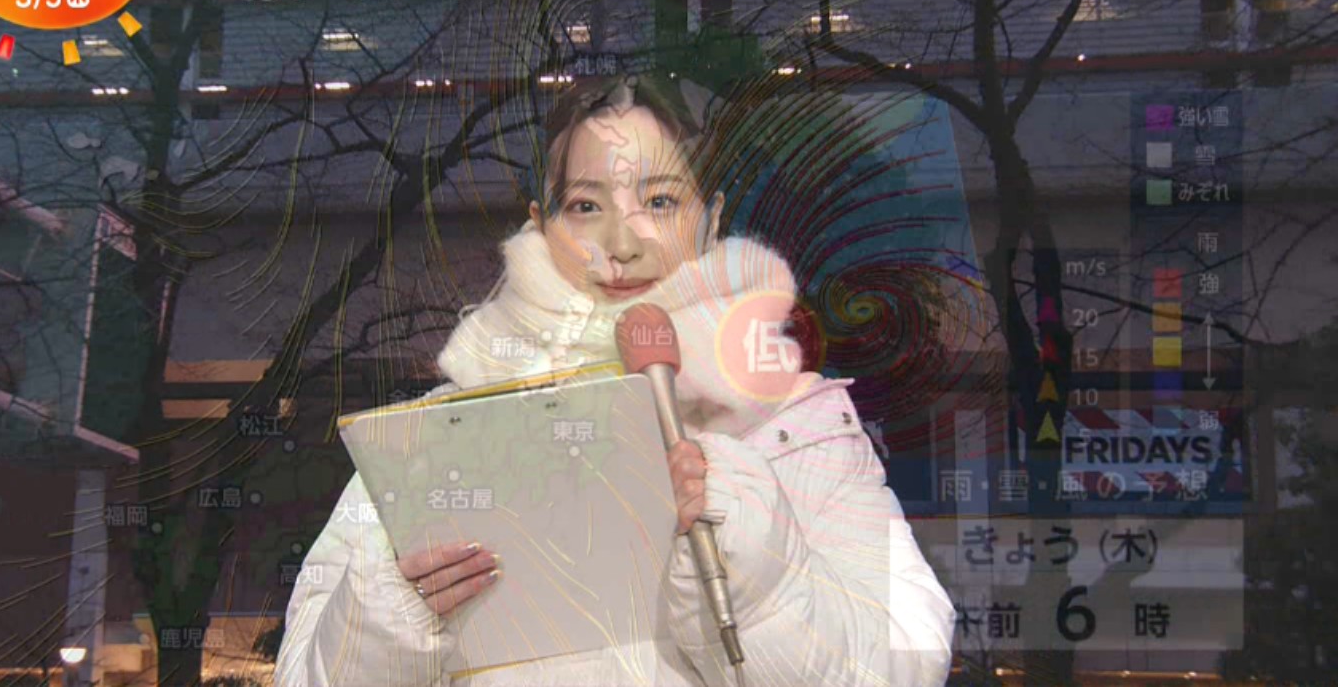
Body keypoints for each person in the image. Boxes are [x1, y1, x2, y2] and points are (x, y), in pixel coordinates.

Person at [275, 74, 955, 686]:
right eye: (585, 206)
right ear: (541, 225)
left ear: (712, 218)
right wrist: (389, 616)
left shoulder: (794, 427)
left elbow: (904, 663)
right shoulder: (437, 435)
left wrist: (756, 580)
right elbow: (305, 674)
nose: (623, 245)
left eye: (660, 201)